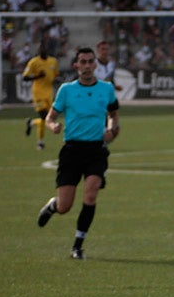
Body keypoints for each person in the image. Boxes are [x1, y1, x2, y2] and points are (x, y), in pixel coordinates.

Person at [36, 47, 120, 260]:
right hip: (72, 151)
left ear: (95, 65)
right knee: (65, 206)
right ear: (76, 65)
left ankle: (77, 246)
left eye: (90, 62)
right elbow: (50, 117)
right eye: (82, 62)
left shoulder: (106, 89)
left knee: (90, 194)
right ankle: (52, 205)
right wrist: (52, 125)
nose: (87, 66)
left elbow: (113, 116)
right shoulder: (66, 90)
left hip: (96, 151)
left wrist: (111, 130)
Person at [21, 42, 59, 150]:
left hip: (49, 94)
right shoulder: (34, 62)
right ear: (38, 50)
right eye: (40, 48)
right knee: (44, 117)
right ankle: (40, 142)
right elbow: (25, 77)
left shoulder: (53, 61)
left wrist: (56, 80)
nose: (42, 50)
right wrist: (37, 76)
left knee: (49, 118)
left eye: (44, 48)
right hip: (38, 94)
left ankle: (32, 123)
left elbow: (55, 75)